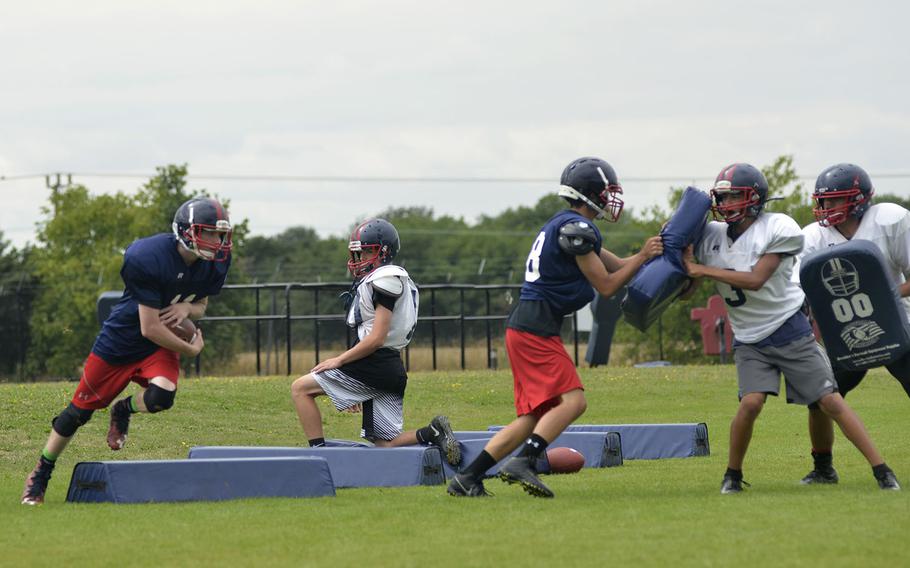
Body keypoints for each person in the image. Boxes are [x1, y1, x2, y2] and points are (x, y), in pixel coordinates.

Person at [448, 156, 663, 498]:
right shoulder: (575, 229)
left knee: (534, 418)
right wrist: (642, 258)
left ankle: (468, 477)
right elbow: (607, 285)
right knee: (574, 402)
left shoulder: (568, 225)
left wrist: (648, 255)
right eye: (607, 192)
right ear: (591, 193)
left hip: (526, 328)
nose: (611, 199)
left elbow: (620, 266)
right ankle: (525, 461)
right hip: (534, 330)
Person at [682, 163, 900, 494]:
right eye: (722, 197)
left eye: (733, 196)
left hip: (789, 328)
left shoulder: (779, 226)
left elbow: (756, 280)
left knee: (830, 401)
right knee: (750, 403)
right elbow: (688, 283)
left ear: (755, 198)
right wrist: (674, 260)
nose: (725, 204)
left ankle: (882, 470)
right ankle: (732, 476)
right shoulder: (710, 236)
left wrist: (700, 270)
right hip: (749, 337)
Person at [21, 196, 234, 505]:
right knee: (76, 415)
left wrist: (188, 306)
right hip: (121, 343)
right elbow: (149, 327)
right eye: (210, 232)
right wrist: (189, 351)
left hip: (157, 345)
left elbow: (201, 303)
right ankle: (41, 471)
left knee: (162, 397)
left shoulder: (216, 261)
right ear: (186, 232)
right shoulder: (147, 256)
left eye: (220, 234)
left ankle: (124, 409)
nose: (217, 241)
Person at [290, 218, 461, 465]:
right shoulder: (388, 278)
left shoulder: (386, 277)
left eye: (367, 251)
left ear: (384, 251)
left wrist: (339, 362)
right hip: (389, 367)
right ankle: (433, 432)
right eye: (358, 252)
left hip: (374, 364)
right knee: (385, 444)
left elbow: (376, 338)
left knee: (300, 389)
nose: (360, 258)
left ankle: (320, 454)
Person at [798, 163, 910, 485]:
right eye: (823, 200)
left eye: (834, 200)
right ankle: (823, 468)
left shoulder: (890, 221)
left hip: (896, 322)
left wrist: (887, 295)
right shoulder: (813, 237)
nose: (826, 207)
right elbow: (803, 290)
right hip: (843, 331)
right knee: (821, 396)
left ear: (858, 200)